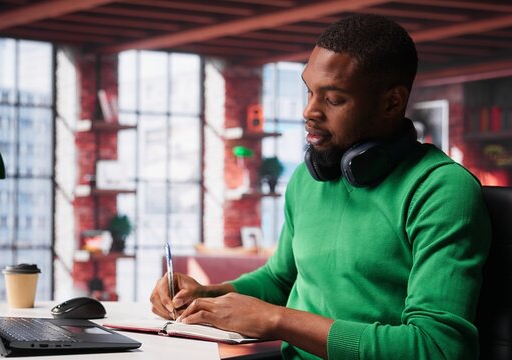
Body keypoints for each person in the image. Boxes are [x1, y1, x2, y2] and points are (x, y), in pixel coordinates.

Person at [150, 14, 491, 360]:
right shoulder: (307, 179)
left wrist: (278, 320)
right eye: (310, 91)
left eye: (333, 99)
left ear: (392, 103)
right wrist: (205, 296)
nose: (309, 111)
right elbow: (280, 280)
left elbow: (438, 348)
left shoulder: (442, 190)